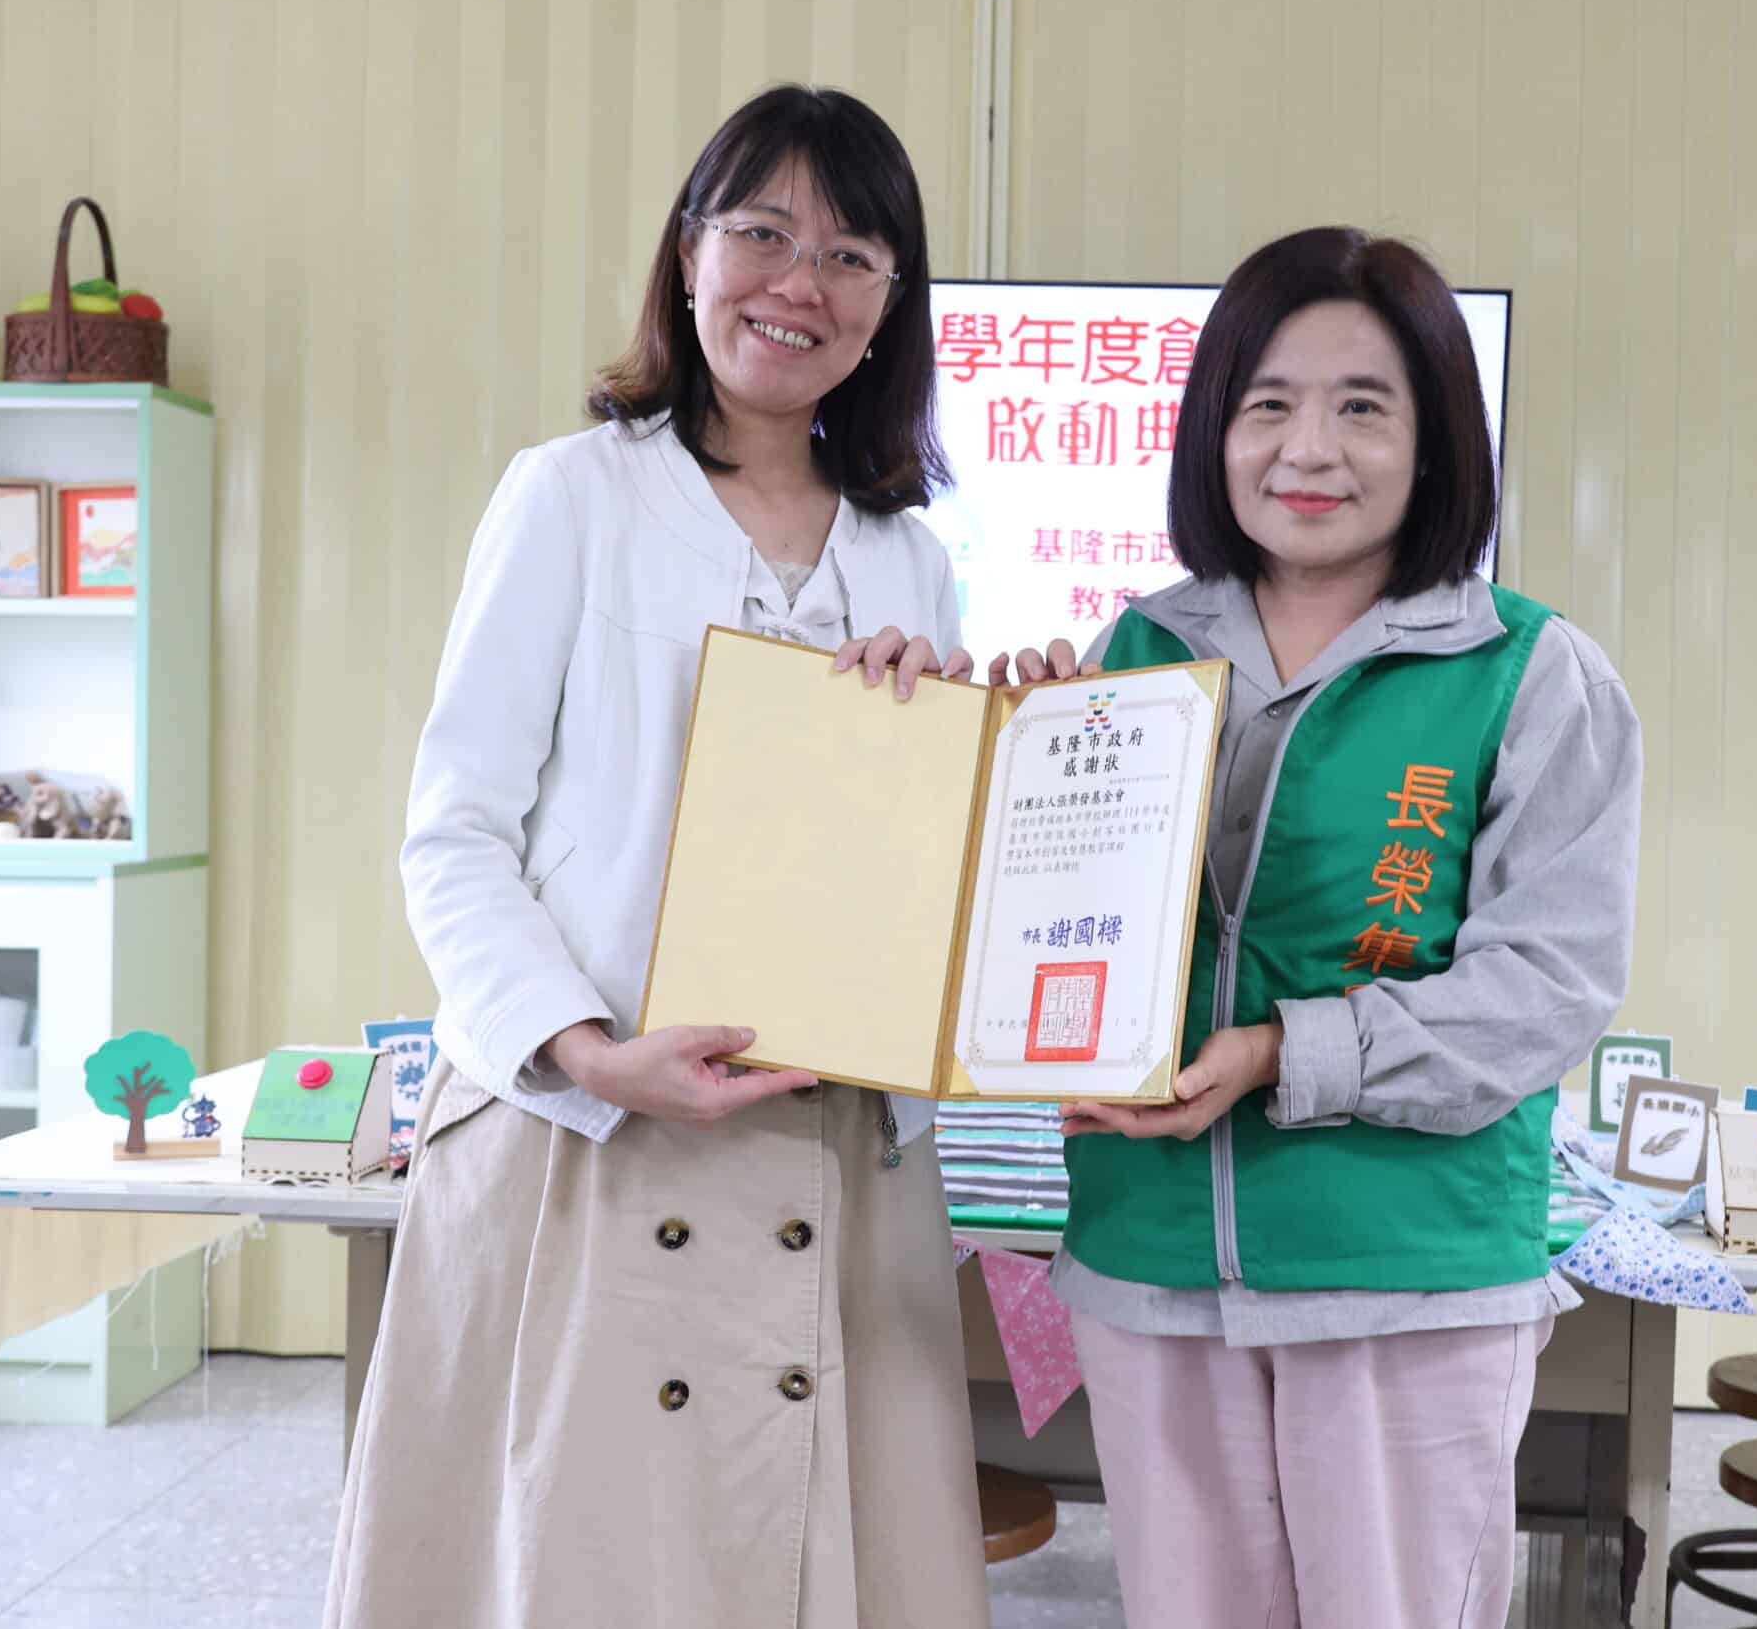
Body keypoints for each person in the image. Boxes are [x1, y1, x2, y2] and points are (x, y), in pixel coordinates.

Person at [323, 85, 990, 1629]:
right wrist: (584, 1051)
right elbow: (455, 834)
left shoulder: (911, 560)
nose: (799, 283)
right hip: (589, 1147)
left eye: (851, 254)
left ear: (892, 305)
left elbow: (921, 888)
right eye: (762, 233)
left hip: (837, 1161)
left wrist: (967, 747)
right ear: (689, 256)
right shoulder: (573, 495)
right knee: (590, 1573)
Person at [1040, 226, 1643, 1628]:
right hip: (1151, 1264)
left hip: (1402, 1281)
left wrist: (1280, 1054)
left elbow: (1545, 990)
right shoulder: (1130, 653)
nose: (1308, 448)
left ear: (1436, 444)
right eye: (1268, 404)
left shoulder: (1531, 672)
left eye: (1363, 406)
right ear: (1214, 431)